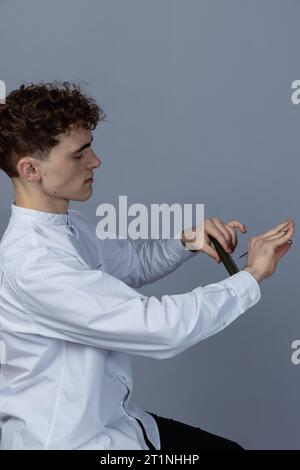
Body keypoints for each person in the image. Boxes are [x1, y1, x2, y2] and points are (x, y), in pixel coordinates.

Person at [0, 82, 295, 450]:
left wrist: (187, 242)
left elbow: (133, 264)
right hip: (76, 443)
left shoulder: (71, 226)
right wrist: (252, 276)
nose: (95, 161)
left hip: (119, 422)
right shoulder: (36, 265)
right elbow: (160, 327)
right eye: (79, 154)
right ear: (31, 169)